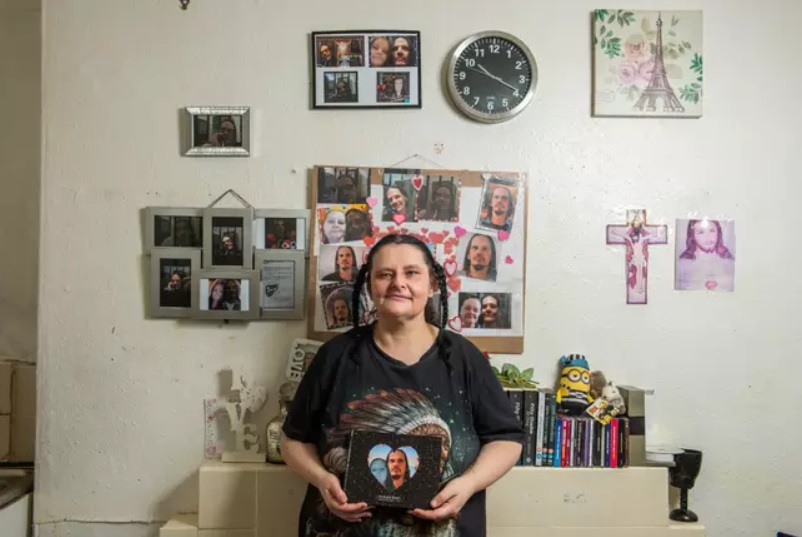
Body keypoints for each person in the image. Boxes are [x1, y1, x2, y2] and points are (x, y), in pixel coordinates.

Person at [281, 234, 524, 537]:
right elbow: (292, 441)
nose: (398, 283)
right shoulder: (335, 356)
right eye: (385, 274)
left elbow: (507, 440)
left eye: (411, 273)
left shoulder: (464, 358)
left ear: (432, 284)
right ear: (370, 285)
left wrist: (469, 484)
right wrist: (321, 479)